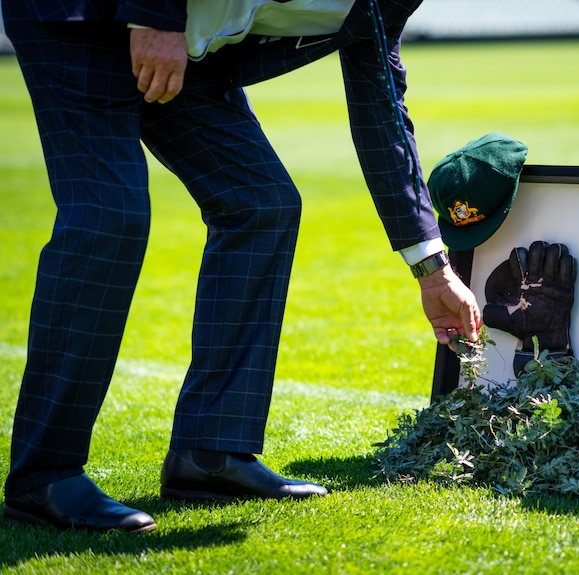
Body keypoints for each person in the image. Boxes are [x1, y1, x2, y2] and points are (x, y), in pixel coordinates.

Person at [1, 0, 481, 533]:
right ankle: (45, 474)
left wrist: (432, 269)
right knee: (109, 218)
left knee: (260, 201)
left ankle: (210, 452)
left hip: (185, 43)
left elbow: (382, 108)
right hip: (90, 17)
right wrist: (155, 16)